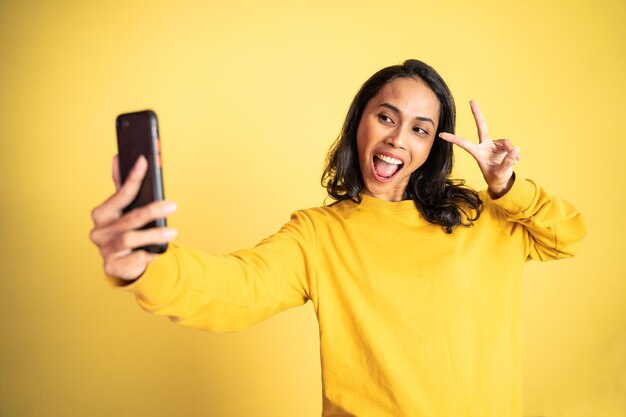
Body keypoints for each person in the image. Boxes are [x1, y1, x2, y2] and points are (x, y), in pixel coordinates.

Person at [90, 59, 586, 416]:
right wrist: (145, 263)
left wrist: (506, 186)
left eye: (420, 129)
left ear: (434, 146)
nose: (397, 139)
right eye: (386, 117)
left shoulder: (484, 216)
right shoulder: (320, 234)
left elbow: (567, 237)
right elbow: (233, 289)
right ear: (360, 123)